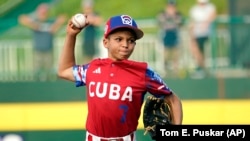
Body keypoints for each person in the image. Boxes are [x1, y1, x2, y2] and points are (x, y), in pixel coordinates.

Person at [57, 14, 183, 141]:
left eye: (131, 40)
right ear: (106, 42)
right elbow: (64, 71)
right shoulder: (92, 68)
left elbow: (173, 100)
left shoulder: (143, 73)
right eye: (119, 39)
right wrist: (71, 35)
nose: (125, 44)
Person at [18, 3, 66, 81]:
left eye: (44, 13)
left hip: (48, 51)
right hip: (38, 51)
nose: (43, 15)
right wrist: (33, 25)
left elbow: (63, 18)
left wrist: (56, 24)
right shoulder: (35, 21)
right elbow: (21, 18)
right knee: (37, 72)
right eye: (42, 13)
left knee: (49, 72)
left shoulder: (50, 22)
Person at [189, 0, 217, 78]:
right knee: (196, 49)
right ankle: (201, 67)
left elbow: (213, 15)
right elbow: (192, 22)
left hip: (205, 33)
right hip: (196, 33)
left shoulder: (210, 8)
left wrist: (206, 23)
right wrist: (191, 33)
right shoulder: (194, 9)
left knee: (200, 49)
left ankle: (202, 68)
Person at [156, 0, 183, 78]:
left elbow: (180, 22)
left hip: (175, 35)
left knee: (175, 54)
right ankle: (165, 71)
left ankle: (176, 72)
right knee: (166, 53)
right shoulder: (162, 14)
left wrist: (173, 17)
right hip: (166, 35)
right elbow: (159, 21)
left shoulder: (178, 14)